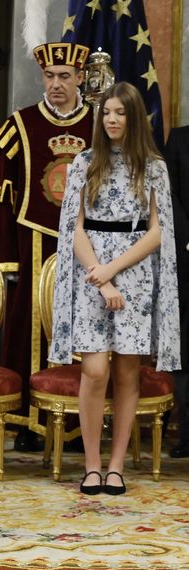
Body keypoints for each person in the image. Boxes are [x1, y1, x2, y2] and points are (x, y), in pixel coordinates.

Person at [49, 82, 180, 495]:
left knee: (126, 373)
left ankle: (116, 467)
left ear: (134, 117)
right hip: (91, 275)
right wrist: (100, 276)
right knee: (94, 371)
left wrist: (113, 271)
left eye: (120, 112)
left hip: (135, 276)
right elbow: (74, 228)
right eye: (106, 112)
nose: (112, 119)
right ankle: (92, 466)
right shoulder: (85, 162)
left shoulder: (153, 166)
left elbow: (157, 232)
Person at [0, 42, 94, 451]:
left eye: (65, 76)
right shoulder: (21, 124)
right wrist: (4, 258)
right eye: (50, 76)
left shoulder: (101, 123)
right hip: (33, 241)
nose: (56, 84)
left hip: (91, 244)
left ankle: (82, 425)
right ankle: (31, 424)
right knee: (32, 328)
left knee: (86, 328)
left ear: (80, 78)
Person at [164, 125, 189, 458]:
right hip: (186, 259)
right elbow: (169, 198)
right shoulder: (180, 140)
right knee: (187, 352)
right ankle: (188, 435)